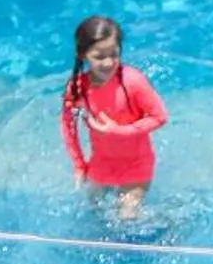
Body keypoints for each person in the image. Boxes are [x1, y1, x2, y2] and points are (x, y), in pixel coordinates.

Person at [60, 15, 167, 217]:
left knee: (126, 217)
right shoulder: (77, 87)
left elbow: (160, 116)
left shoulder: (133, 82)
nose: (108, 62)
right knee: (93, 212)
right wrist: (79, 165)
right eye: (99, 57)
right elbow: (67, 125)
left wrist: (117, 131)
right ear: (83, 55)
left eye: (114, 55)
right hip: (101, 164)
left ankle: (171, 223)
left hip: (137, 164)